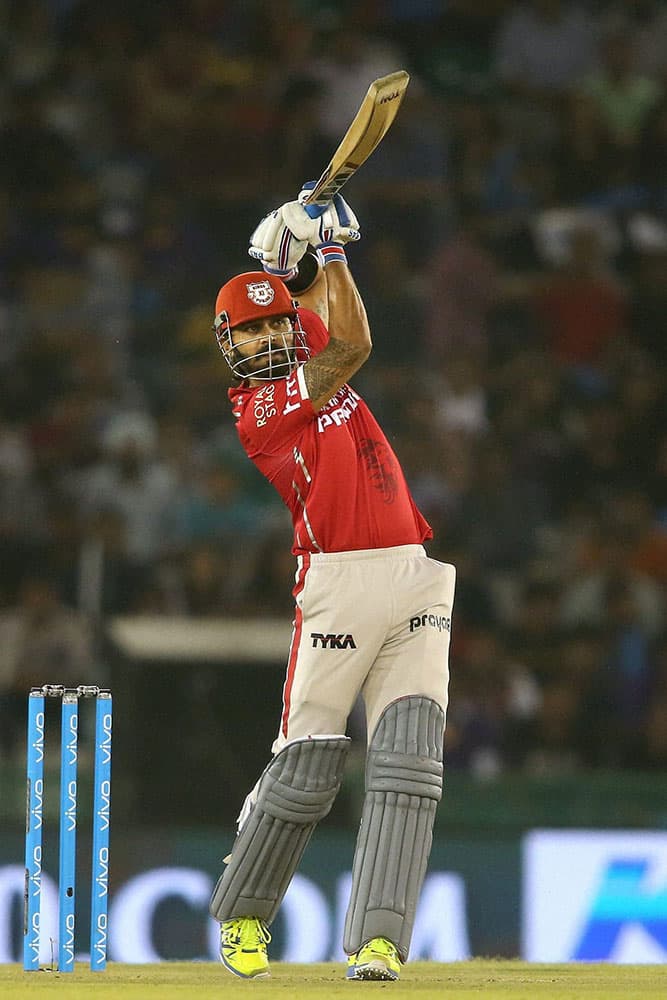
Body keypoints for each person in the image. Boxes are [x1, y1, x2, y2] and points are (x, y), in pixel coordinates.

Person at [207, 188, 456, 982]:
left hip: (414, 572)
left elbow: (318, 314)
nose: (271, 335)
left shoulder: (297, 342)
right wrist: (333, 252)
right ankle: (243, 918)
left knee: (410, 765)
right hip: (338, 584)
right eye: (252, 331)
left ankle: (379, 941)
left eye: (274, 322)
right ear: (230, 348)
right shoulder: (260, 408)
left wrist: (282, 266)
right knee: (310, 764)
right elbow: (349, 343)